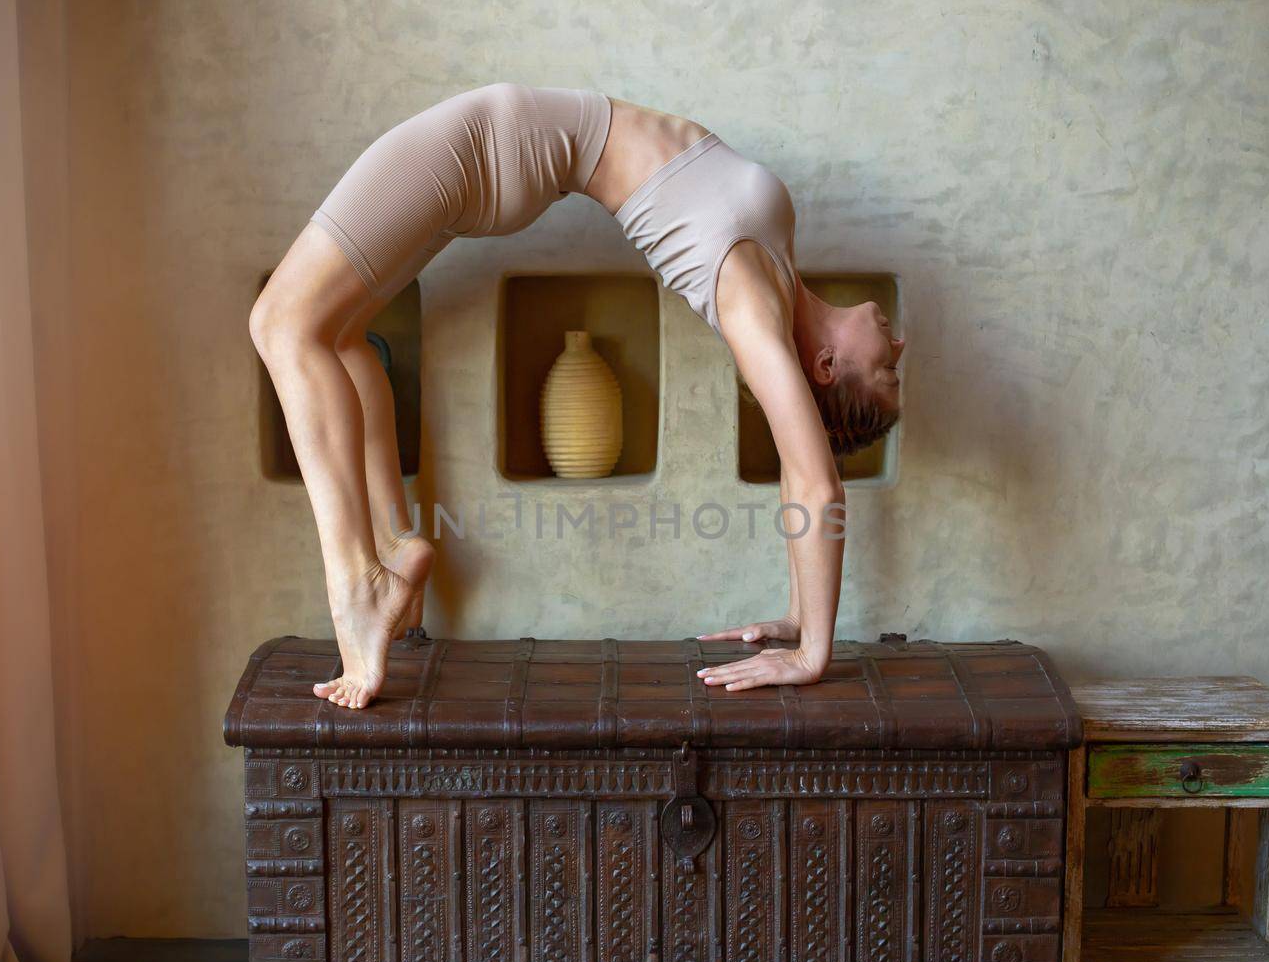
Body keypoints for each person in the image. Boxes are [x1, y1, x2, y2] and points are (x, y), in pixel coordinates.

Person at [250, 83, 904, 709]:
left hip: (486, 143)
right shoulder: (777, 277)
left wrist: (811, 652)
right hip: (503, 149)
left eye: (888, 375)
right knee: (334, 334)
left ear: (826, 365)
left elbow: (816, 480)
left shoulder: (750, 296)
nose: (900, 348)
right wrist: (796, 613)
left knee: (280, 322)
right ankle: (392, 544)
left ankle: (360, 583)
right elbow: (801, 462)